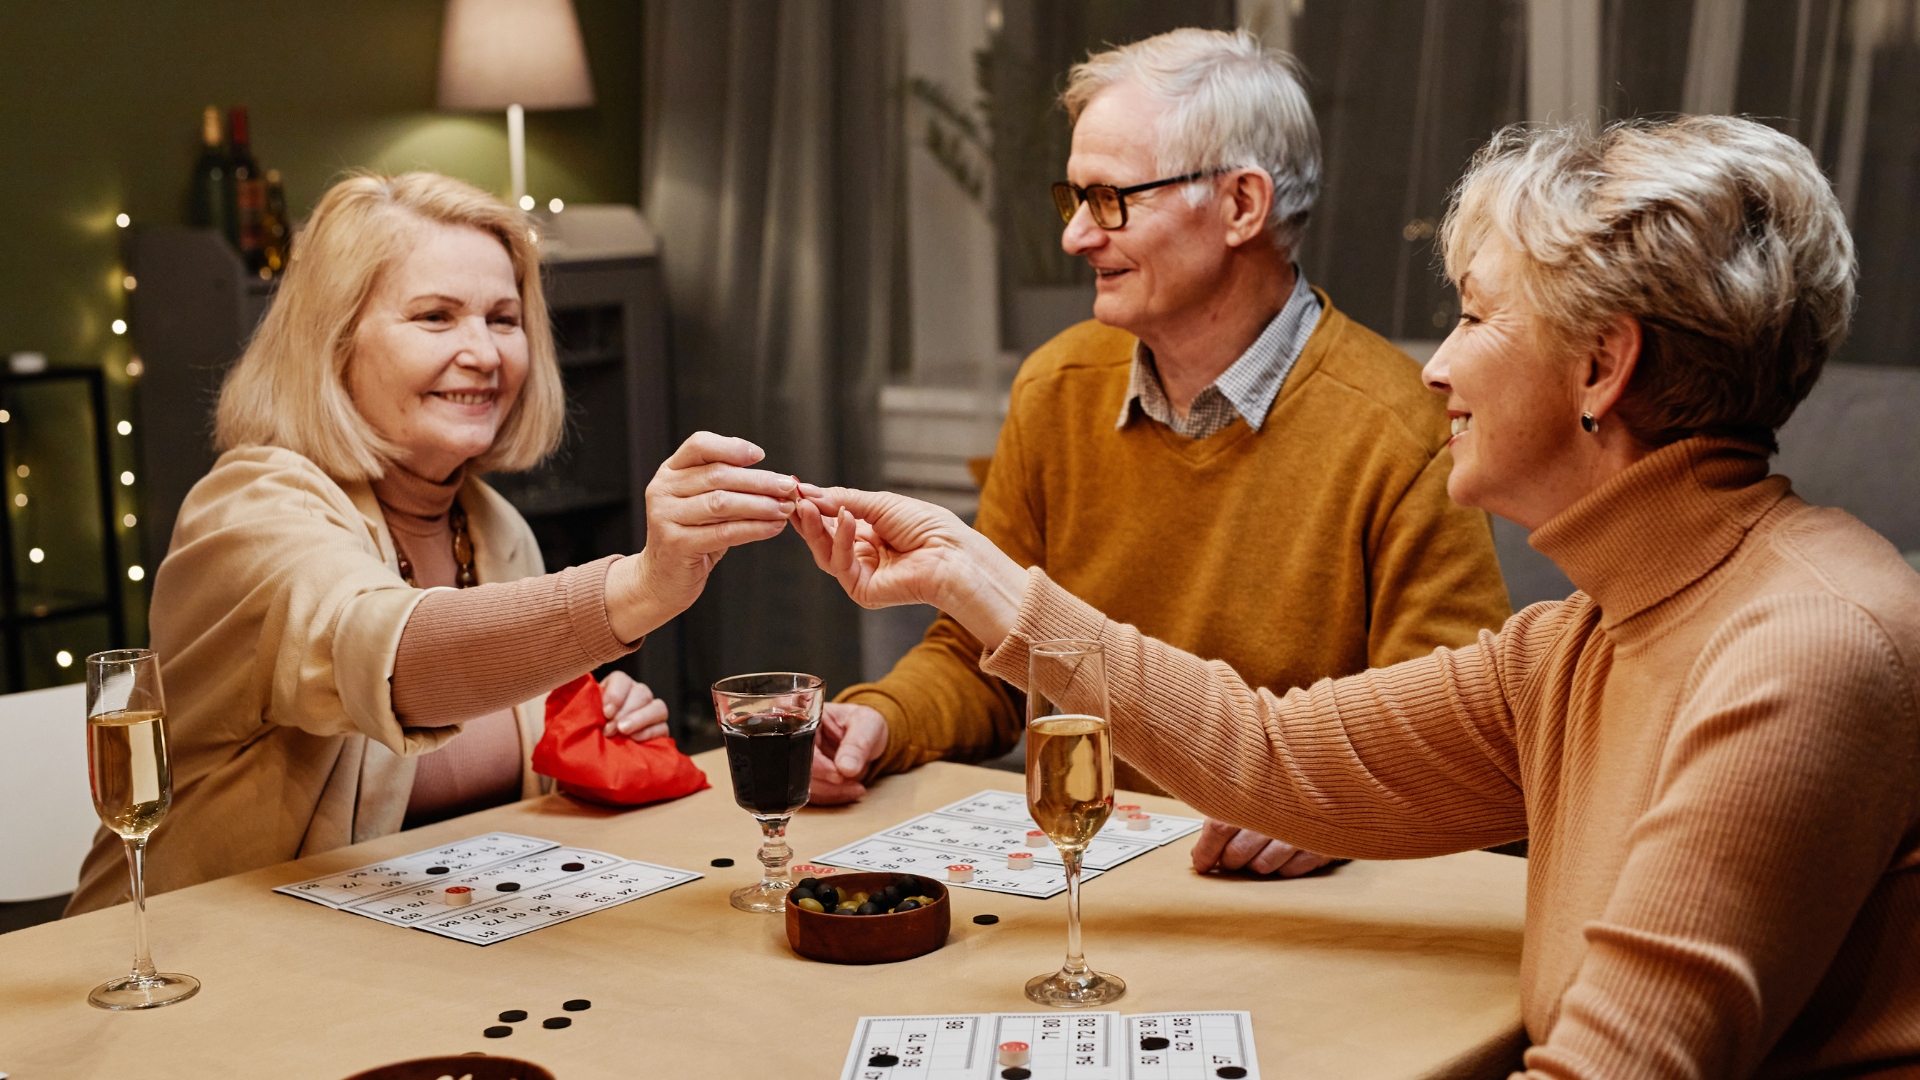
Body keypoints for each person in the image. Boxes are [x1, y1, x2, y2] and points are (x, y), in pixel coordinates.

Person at [798, 115, 1920, 1076]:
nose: (1437, 365)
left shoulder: (1804, 650)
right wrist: (974, 575)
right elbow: (1268, 753)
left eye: (1478, 318)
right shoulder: (1587, 635)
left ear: (1600, 368)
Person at [812, 28, 1511, 879]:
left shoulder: (1403, 426)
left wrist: (1341, 808)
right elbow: (983, 659)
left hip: (1295, 912)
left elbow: (1454, 739)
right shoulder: (1056, 386)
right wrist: (881, 719)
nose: (1075, 238)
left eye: (1109, 199)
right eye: (1072, 200)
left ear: (1242, 206)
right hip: (1092, 880)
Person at [67, 173, 797, 915]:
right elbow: (391, 658)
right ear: (336, 341)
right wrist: (638, 588)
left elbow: (480, 774)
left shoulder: (492, 525)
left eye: (503, 318)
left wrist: (583, 731)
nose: (483, 352)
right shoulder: (249, 509)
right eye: (436, 317)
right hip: (186, 960)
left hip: (394, 944)